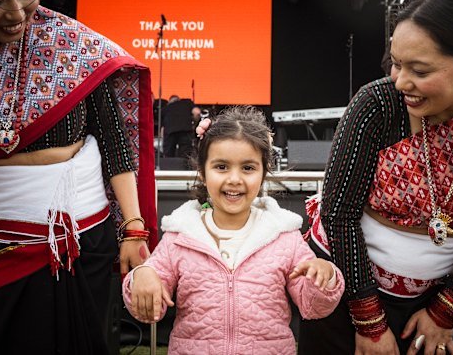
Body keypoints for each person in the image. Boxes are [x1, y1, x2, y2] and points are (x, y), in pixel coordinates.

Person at [298, 0, 453, 355]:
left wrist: (445, 312)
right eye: (396, 63)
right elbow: (339, 214)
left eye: (420, 71)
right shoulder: (377, 104)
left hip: (437, 305)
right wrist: (369, 323)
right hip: (343, 290)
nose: (401, 81)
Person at [0, 0, 157, 353]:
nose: (15, 12)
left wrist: (133, 229)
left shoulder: (72, 45)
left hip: (80, 241)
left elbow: (114, 141)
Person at [123, 106, 345, 354]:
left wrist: (325, 277)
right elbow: (147, 308)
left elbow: (313, 307)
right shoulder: (181, 236)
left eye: (248, 168)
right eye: (221, 167)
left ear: (263, 174)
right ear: (202, 173)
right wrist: (141, 277)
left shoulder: (285, 237)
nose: (234, 179)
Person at [161, 94, 194, 159]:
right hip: (185, 129)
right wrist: (194, 124)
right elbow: (197, 112)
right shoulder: (186, 102)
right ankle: (184, 167)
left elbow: (162, 128)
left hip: (170, 131)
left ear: (169, 101)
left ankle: (168, 167)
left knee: (168, 155)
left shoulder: (165, 108)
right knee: (185, 154)